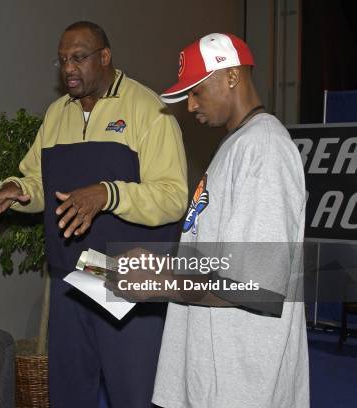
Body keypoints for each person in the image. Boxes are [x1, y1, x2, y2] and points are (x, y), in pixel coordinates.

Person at [0, 21, 188, 407]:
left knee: (134, 395)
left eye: (78, 58)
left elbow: (173, 197)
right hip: (71, 279)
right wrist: (19, 189)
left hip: (126, 280)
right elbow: (40, 180)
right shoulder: (57, 113)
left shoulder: (149, 110)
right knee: (69, 394)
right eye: (62, 61)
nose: (68, 69)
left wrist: (108, 194)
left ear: (105, 57)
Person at [109, 33, 309, 407]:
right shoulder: (236, 145)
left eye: (196, 91)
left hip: (242, 382)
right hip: (216, 374)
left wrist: (158, 285)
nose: (190, 104)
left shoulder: (264, 149)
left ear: (231, 76)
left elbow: (258, 286)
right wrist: (160, 264)